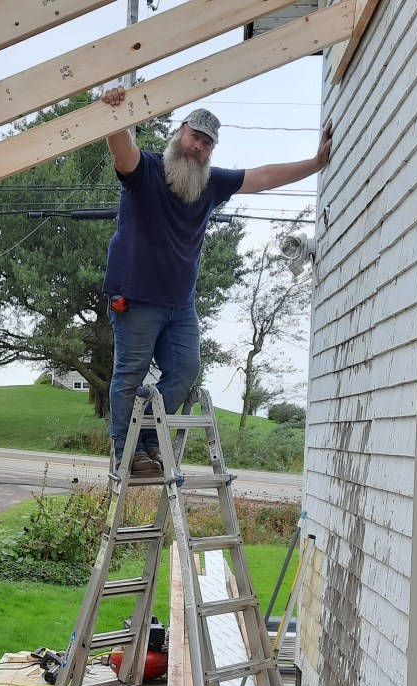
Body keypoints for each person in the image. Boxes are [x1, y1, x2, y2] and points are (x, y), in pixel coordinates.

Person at [101, 85, 333, 476]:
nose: (198, 146)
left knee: (185, 370)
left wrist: (315, 163)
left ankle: (148, 439)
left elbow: (262, 177)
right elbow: (122, 149)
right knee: (130, 372)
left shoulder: (211, 184)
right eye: (194, 136)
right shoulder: (147, 171)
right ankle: (128, 453)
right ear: (179, 134)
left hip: (180, 305)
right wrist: (114, 115)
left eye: (207, 143)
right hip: (135, 298)